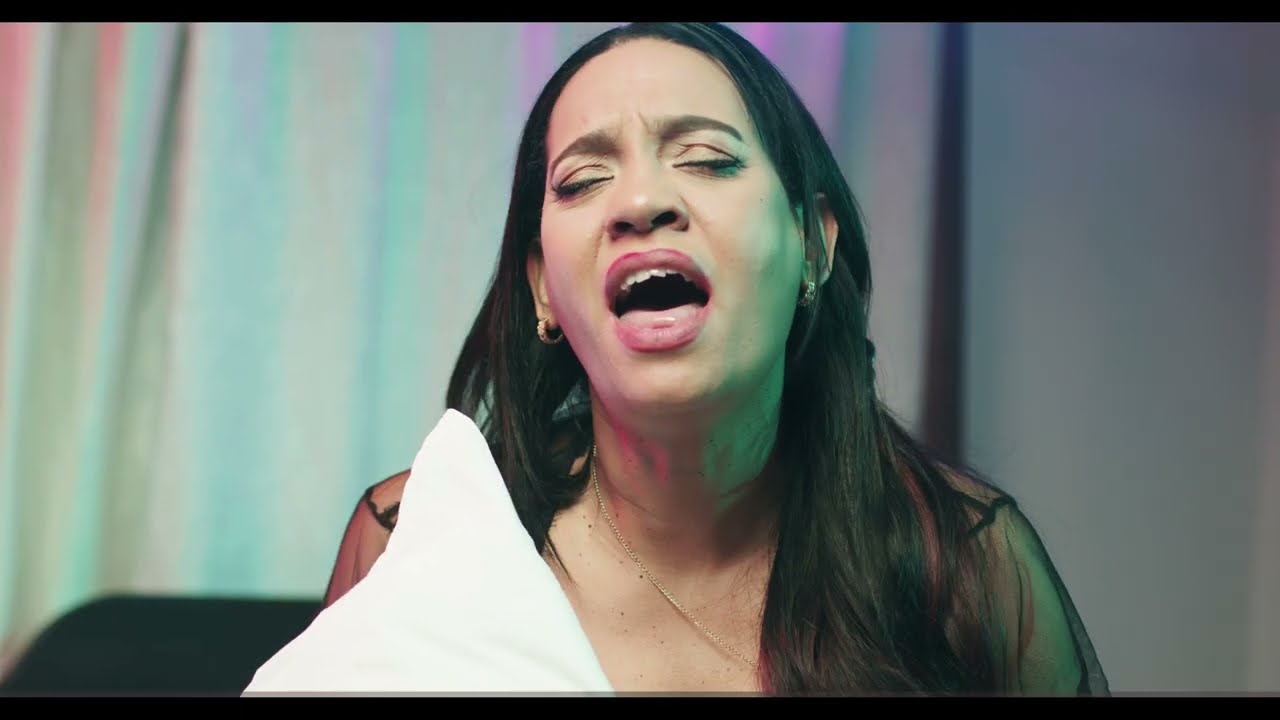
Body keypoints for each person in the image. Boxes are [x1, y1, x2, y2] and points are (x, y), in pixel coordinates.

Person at [320, 22, 1110, 696]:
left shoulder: (964, 569)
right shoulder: (410, 544)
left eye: (704, 158)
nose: (640, 203)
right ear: (542, 290)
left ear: (812, 244)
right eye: (584, 179)